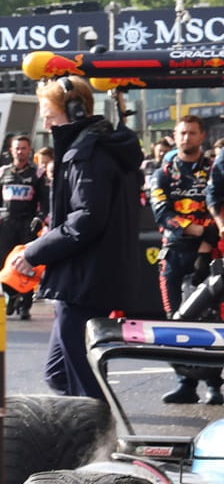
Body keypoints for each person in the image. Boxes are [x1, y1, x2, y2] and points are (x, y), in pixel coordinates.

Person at [15, 76, 145, 400]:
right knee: (60, 374)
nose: (45, 122)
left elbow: (85, 220)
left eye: (49, 113)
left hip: (83, 282)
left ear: (73, 112)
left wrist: (35, 252)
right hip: (85, 279)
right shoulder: (94, 148)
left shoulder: (86, 154)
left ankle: (98, 442)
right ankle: (89, 435)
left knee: (84, 383)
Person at [153, 115, 223, 404]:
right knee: (175, 320)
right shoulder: (164, 172)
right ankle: (184, 383)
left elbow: (216, 206)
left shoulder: (212, 168)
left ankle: (214, 386)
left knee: (208, 320)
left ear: (202, 136)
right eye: (181, 133)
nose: (186, 138)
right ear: (174, 135)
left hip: (207, 254)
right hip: (172, 254)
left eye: (191, 133)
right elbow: (161, 213)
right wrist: (194, 227)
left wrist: (204, 234)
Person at [0, 135, 49, 321]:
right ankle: (11, 294)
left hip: (27, 224)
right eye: (17, 148)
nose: (20, 151)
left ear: (29, 150)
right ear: (11, 151)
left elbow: (45, 202)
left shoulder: (37, 173)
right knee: (3, 261)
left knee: (27, 263)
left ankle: (25, 304)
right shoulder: (2, 172)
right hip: (7, 223)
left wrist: (39, 219)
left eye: (24, 148)